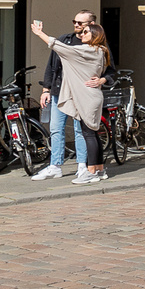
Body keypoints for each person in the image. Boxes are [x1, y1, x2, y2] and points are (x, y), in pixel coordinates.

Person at [29, 17, 109, 185]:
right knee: (92, 134)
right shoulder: (100, 50)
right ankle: (99, 170)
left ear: (94, 35)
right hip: (91, 96)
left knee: (88, 134)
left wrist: (39, 33)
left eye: (86, 31)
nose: (82, 33)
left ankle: (90, 172)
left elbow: (56, 45)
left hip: (85, 98)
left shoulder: (87, 50)